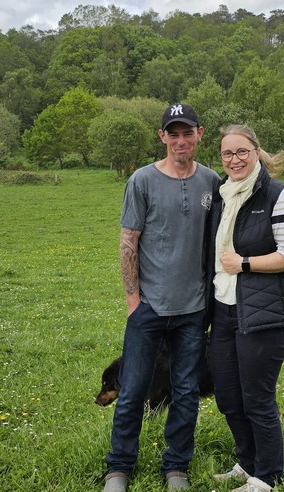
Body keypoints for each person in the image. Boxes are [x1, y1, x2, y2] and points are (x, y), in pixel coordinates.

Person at [103, 103, 221, 492]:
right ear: (162, 137)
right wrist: (134, 301)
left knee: (186, 391)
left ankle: (176, 468)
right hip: (149, 308)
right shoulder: (141, 181)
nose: (181, 140)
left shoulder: (211, 182)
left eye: (188, 133)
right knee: (134, 388)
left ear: (200, 134)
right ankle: (119, 468)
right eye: (174, 133)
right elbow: (127, 241)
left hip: (194, 310)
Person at [208, 124, 284, 492]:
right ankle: (246, 463)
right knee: (229, 396)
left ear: (256, 152)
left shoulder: (279, 196)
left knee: (257, 398)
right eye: (227, 154)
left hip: (264, 316)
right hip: (224, 310)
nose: (234, 160)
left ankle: (266, 477)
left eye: (241, 152)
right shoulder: (222, 195)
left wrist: (245, 263)